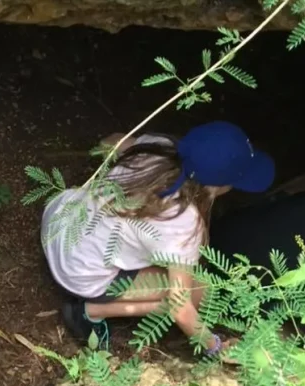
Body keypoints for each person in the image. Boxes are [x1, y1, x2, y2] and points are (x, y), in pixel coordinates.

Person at [40, 121, 275, 352]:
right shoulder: (183, 222)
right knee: (202, 291)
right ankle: (89, 312)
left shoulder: (158, 146)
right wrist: (214, 346)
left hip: (59, 221)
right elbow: (180, 309)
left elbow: (111, 141)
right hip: (79, 272)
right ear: (215, 187)